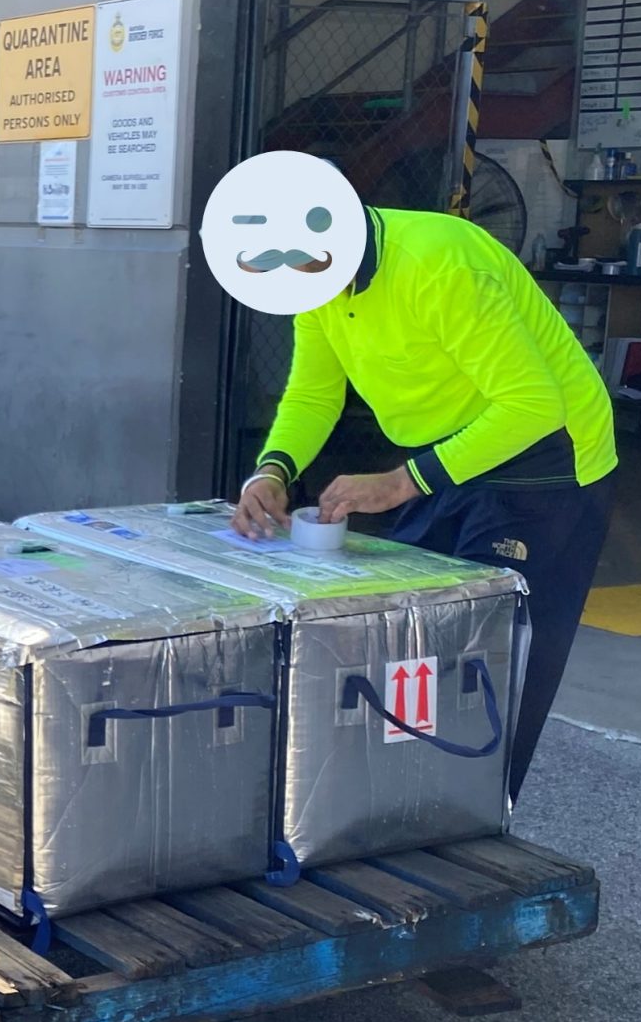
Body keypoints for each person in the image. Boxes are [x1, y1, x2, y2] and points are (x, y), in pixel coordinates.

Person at [212, 152, 617, 799]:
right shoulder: (310, 277)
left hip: (544, 464)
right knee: (415, 637)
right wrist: (272, 470)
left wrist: (400, 483)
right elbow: (314, 393)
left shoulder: (441, 263)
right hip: (449, 453)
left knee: (495, 659)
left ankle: (481, 813)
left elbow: (532, 406)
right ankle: (411, 803)